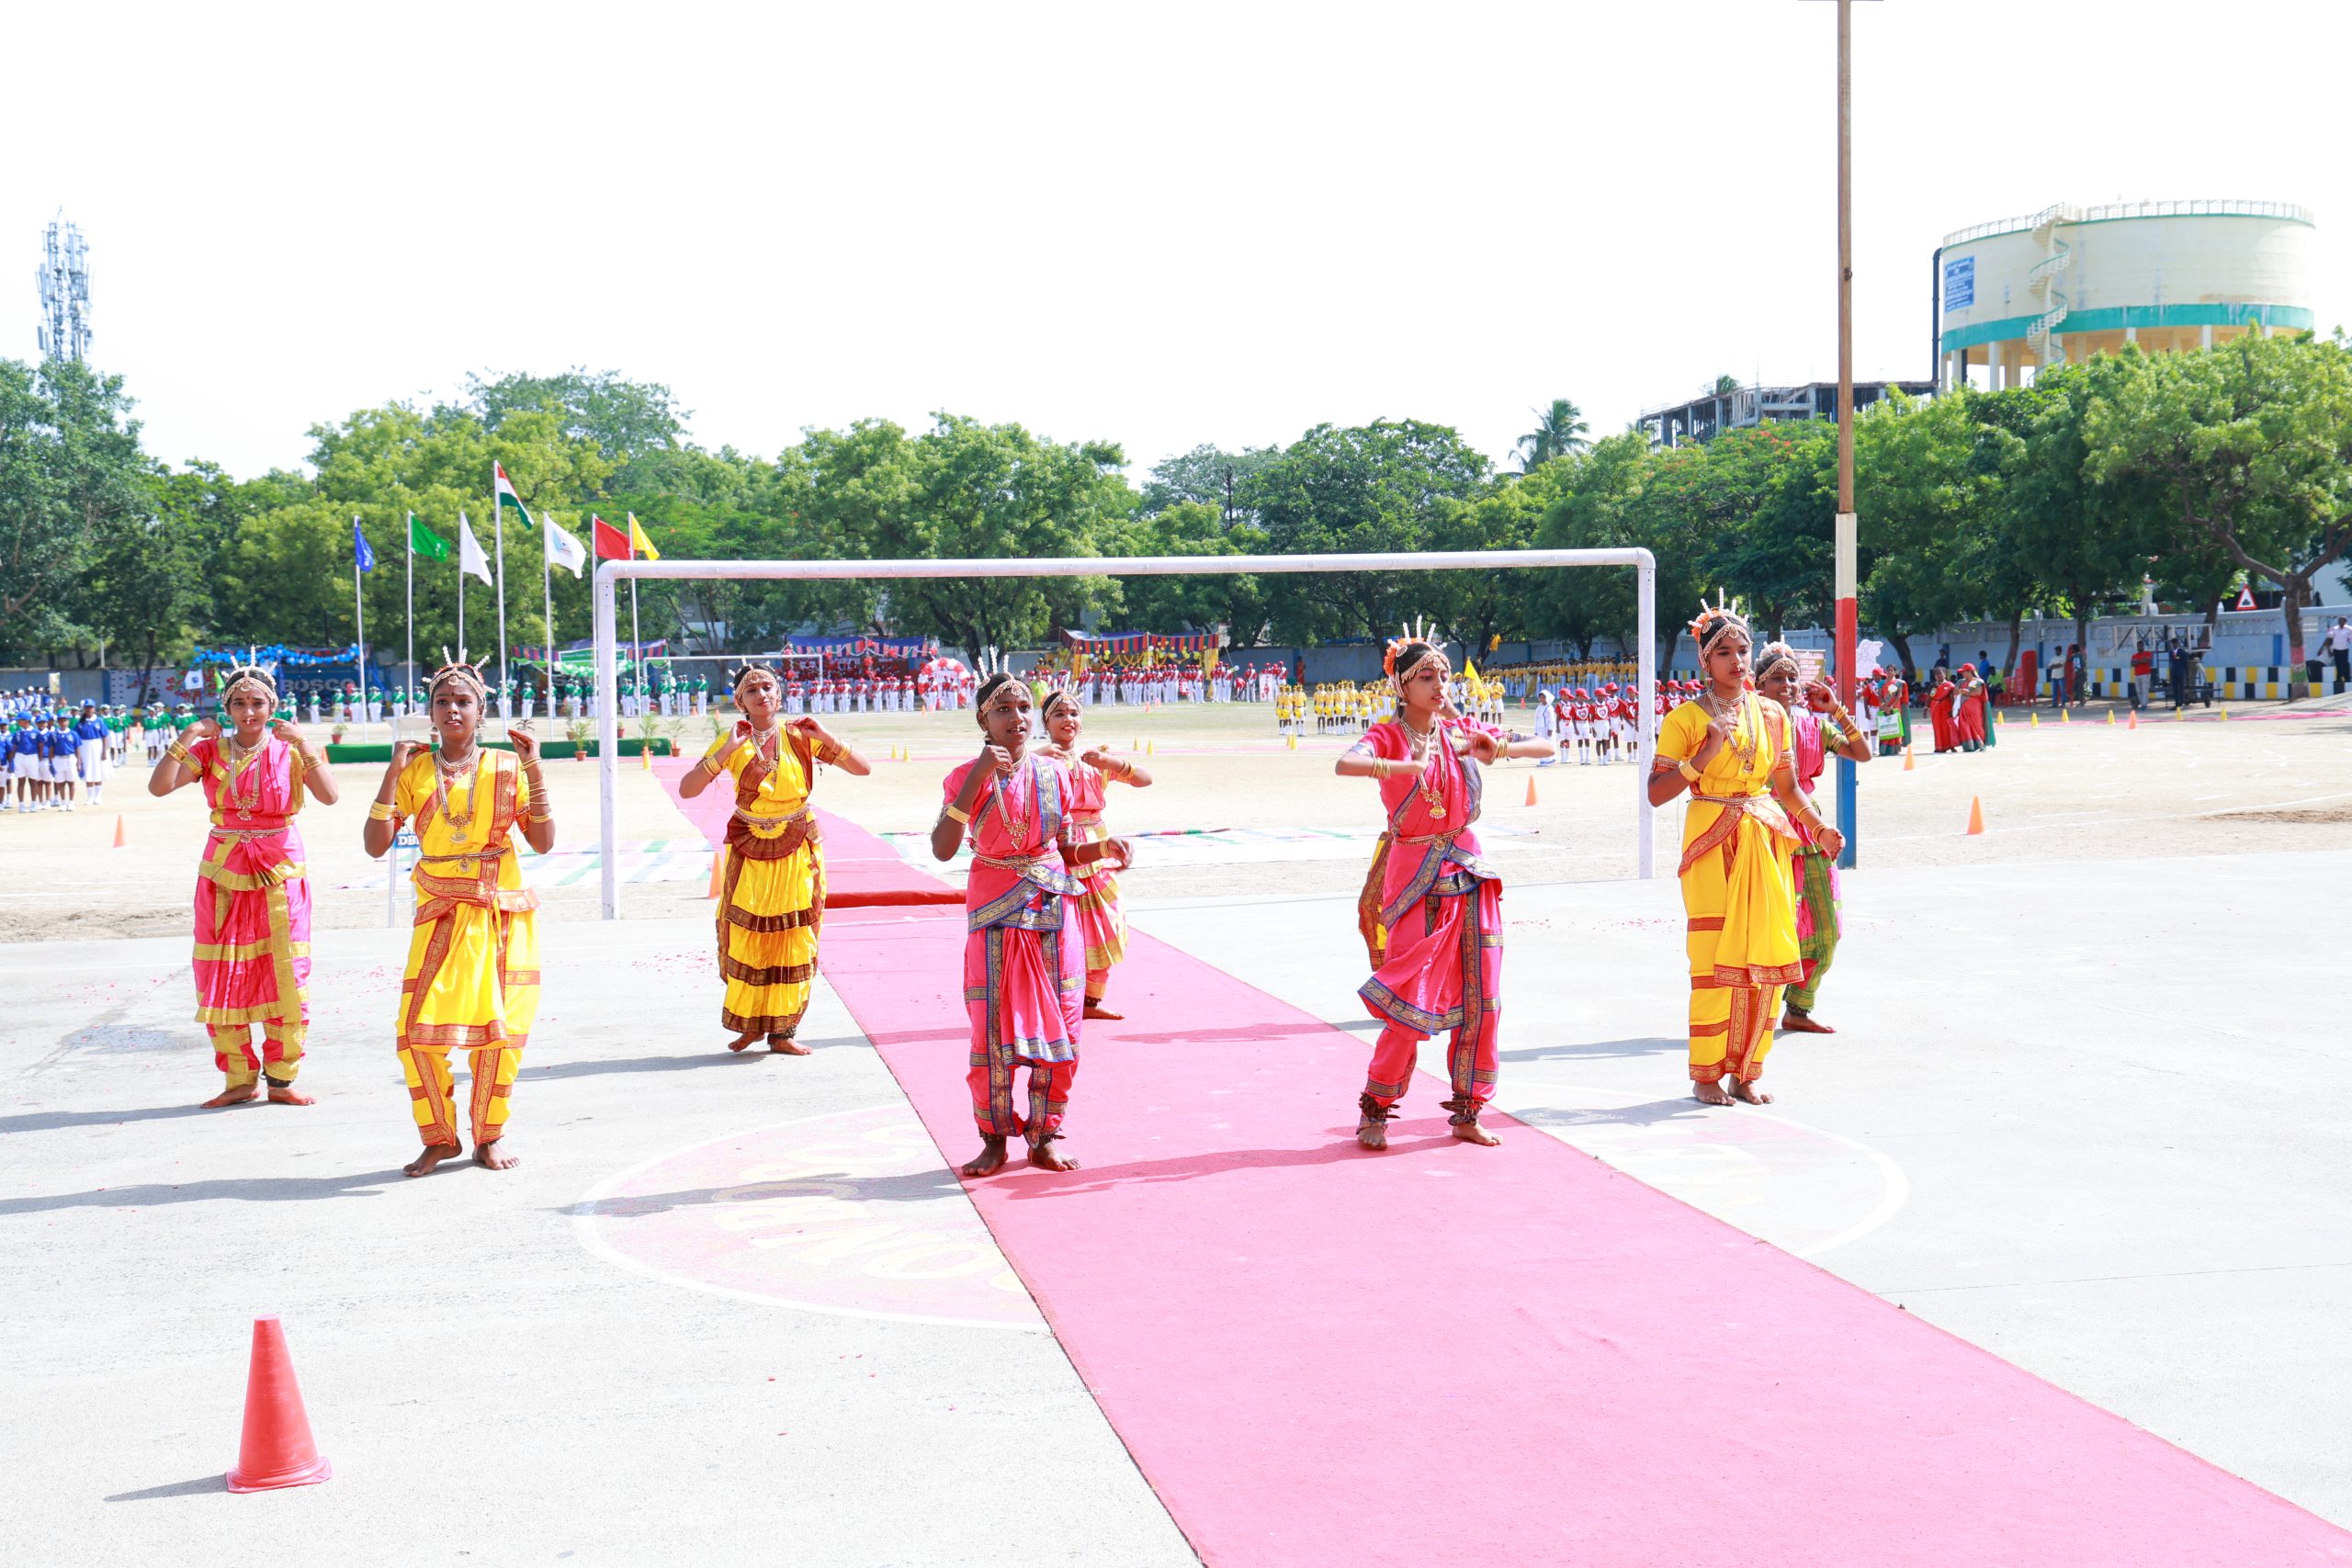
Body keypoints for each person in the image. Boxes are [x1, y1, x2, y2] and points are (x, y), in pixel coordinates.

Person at [1338, 624, 1555, 1151]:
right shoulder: (1388, 736)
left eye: (1444, 676)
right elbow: (1346, 763)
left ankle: (1467, 1110)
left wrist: (1495, 749)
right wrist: (1401, 765)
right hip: (1414, 877)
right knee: (1410, 999)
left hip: (1469, 873)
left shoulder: (1460, 731)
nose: (1439, 686)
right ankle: (1375, 1109)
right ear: (1402, 686)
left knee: (1483, 998)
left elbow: (1545, 745)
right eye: (1426, 677)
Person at [362, 653, 555, 1178]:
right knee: (414, 1033)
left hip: (500, 912)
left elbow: (542, 842)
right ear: (430, 711)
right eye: (442, 701)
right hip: (440, 912)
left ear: (480, 710)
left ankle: (489, 1136)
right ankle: (440, 1137)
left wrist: (535, 766)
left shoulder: (507, 766)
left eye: (463, 701)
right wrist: (392, 772)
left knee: (500, 1034)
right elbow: (376, 846)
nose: (452, 709)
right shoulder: (415, 770)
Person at [1647, 598, 1840, 1105]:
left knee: (1768, 957)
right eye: (1724, 652)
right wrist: (1702, 758)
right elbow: (1656, 793)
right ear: (1704, 661)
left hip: (1765, 838)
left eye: (1742, 650)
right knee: (1714, 961)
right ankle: (1706, 1074)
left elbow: (1788, 787)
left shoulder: (1772, 714)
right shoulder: (1685, 719)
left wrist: (1819, 828)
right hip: (1711, 841)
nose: (1736, 660)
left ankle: (1747, 1071)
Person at [148, 662, 338, 1106]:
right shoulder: (210, 750)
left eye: (257, 703)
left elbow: (330, 796)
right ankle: (239, 1079)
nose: (248, 712)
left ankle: (281, 1080)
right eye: (239, 703)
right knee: (222, 970)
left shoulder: (290, 748)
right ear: (227, 707)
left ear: (273, 706)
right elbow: (159, 787)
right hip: (223, 869)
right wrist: (190, 733)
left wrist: (304, 743)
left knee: (284, 969)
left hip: (279, 867)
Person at [932, 673, 1088, 1177]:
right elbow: (943, 849)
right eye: (1003, 709)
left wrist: (1103, 850)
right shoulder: (963, 776)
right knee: (991, 1028)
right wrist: (980, 773)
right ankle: (994, 1138)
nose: (1017, 718)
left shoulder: (1055, 773)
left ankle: (1045, 1135)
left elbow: (1066, 847)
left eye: (1023, 707)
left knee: (1063, 1021)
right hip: (994, 912)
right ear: (983, 719)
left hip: (1052, 908)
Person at [680, 663, 869, 1054]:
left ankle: (783, 1032)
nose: (761, 695)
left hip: (798, 846)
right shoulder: (733, 739)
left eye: (767, 687)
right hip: (748, 847)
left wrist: (826, 737)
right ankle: (751, 1024)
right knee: (748, 934)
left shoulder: (800, 735)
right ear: (740, 702)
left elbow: (862, 769)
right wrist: (727, 750)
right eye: (752, 691)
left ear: (779, 694)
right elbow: (688, 789)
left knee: (793, 935)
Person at [1753, 645, 1871, 1036]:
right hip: (1765, 827)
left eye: (1792, 678)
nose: (1787, 685)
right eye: (1777, 678)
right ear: (1759, 684)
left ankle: (1799, 1009)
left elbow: (1862, 753)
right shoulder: (1750, 725)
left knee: (1825, 926)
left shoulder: (1812, 727)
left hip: (1810, 828)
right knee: (1772, 925)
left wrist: (1836, 709)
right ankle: (1759, 1011)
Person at [1037, 689, 1145, 1021]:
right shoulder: (1037, 761)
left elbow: (1145, 780)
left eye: (1073, 713)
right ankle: (1054, 1001)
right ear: (1046, 723)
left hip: (1098, 851)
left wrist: (1112, 763)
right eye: (1059, 714)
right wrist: (1036, 756)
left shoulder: (1095, 761)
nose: (1067, 719)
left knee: (1104, 923)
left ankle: (1089, 1003)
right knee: (1060, 928)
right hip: (1057, 849)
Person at [2322, 617, 2352, 688]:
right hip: (2336, 649)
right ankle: (2338, 678)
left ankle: (2347, 678)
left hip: (2344, 649)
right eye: (2339, 621)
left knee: (2344, 664)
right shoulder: (2335, 628)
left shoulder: (2349, 629)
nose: (2340, 622)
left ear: (2345, 621)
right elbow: (2330, 636)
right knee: (2338, 664)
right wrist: (2329, 629)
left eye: (2341, 621)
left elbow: (2350, 638)